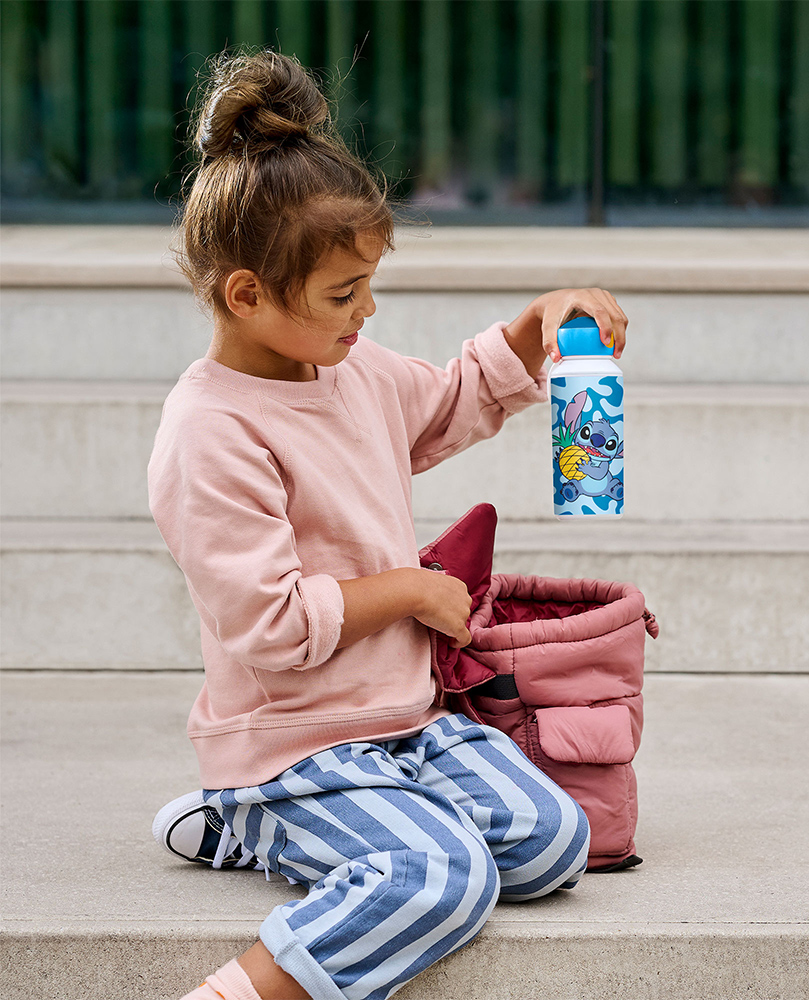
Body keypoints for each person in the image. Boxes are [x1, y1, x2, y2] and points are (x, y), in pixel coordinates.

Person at [148, 49, 628, 1000]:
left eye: (369, 285)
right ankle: (242, 865)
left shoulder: (350, 371)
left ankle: (310, 826)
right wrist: (410, 589)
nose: (367, 312)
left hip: (404, 724)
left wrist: (541, 322)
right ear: (247, 294)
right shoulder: (212, 432)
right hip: (297, 742)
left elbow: (448, 402)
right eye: (342, 294)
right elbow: (270, 626)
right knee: (440, 880)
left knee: (553, 842)